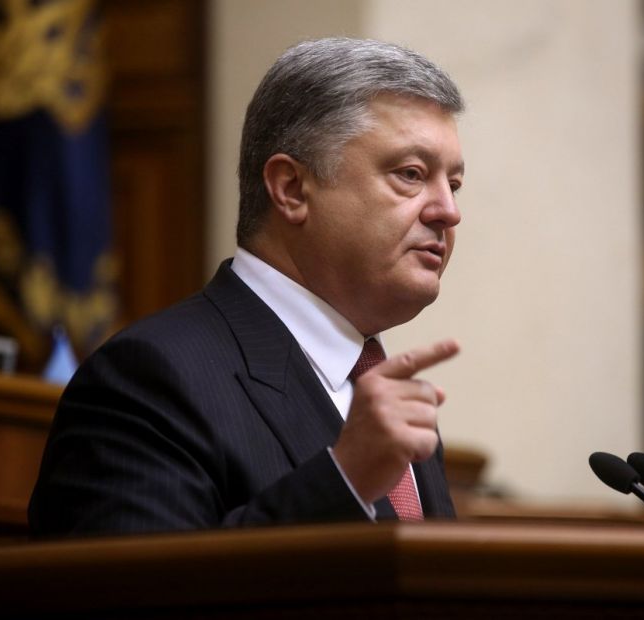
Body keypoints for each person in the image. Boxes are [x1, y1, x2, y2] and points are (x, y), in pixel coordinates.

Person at [28, 37, 466, 535]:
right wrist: (343, 482)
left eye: (453, 185)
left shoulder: (386, 396)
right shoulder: (146, 380)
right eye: (411, 174)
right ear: (291, 189)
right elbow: (139, 580)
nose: (448, 211)